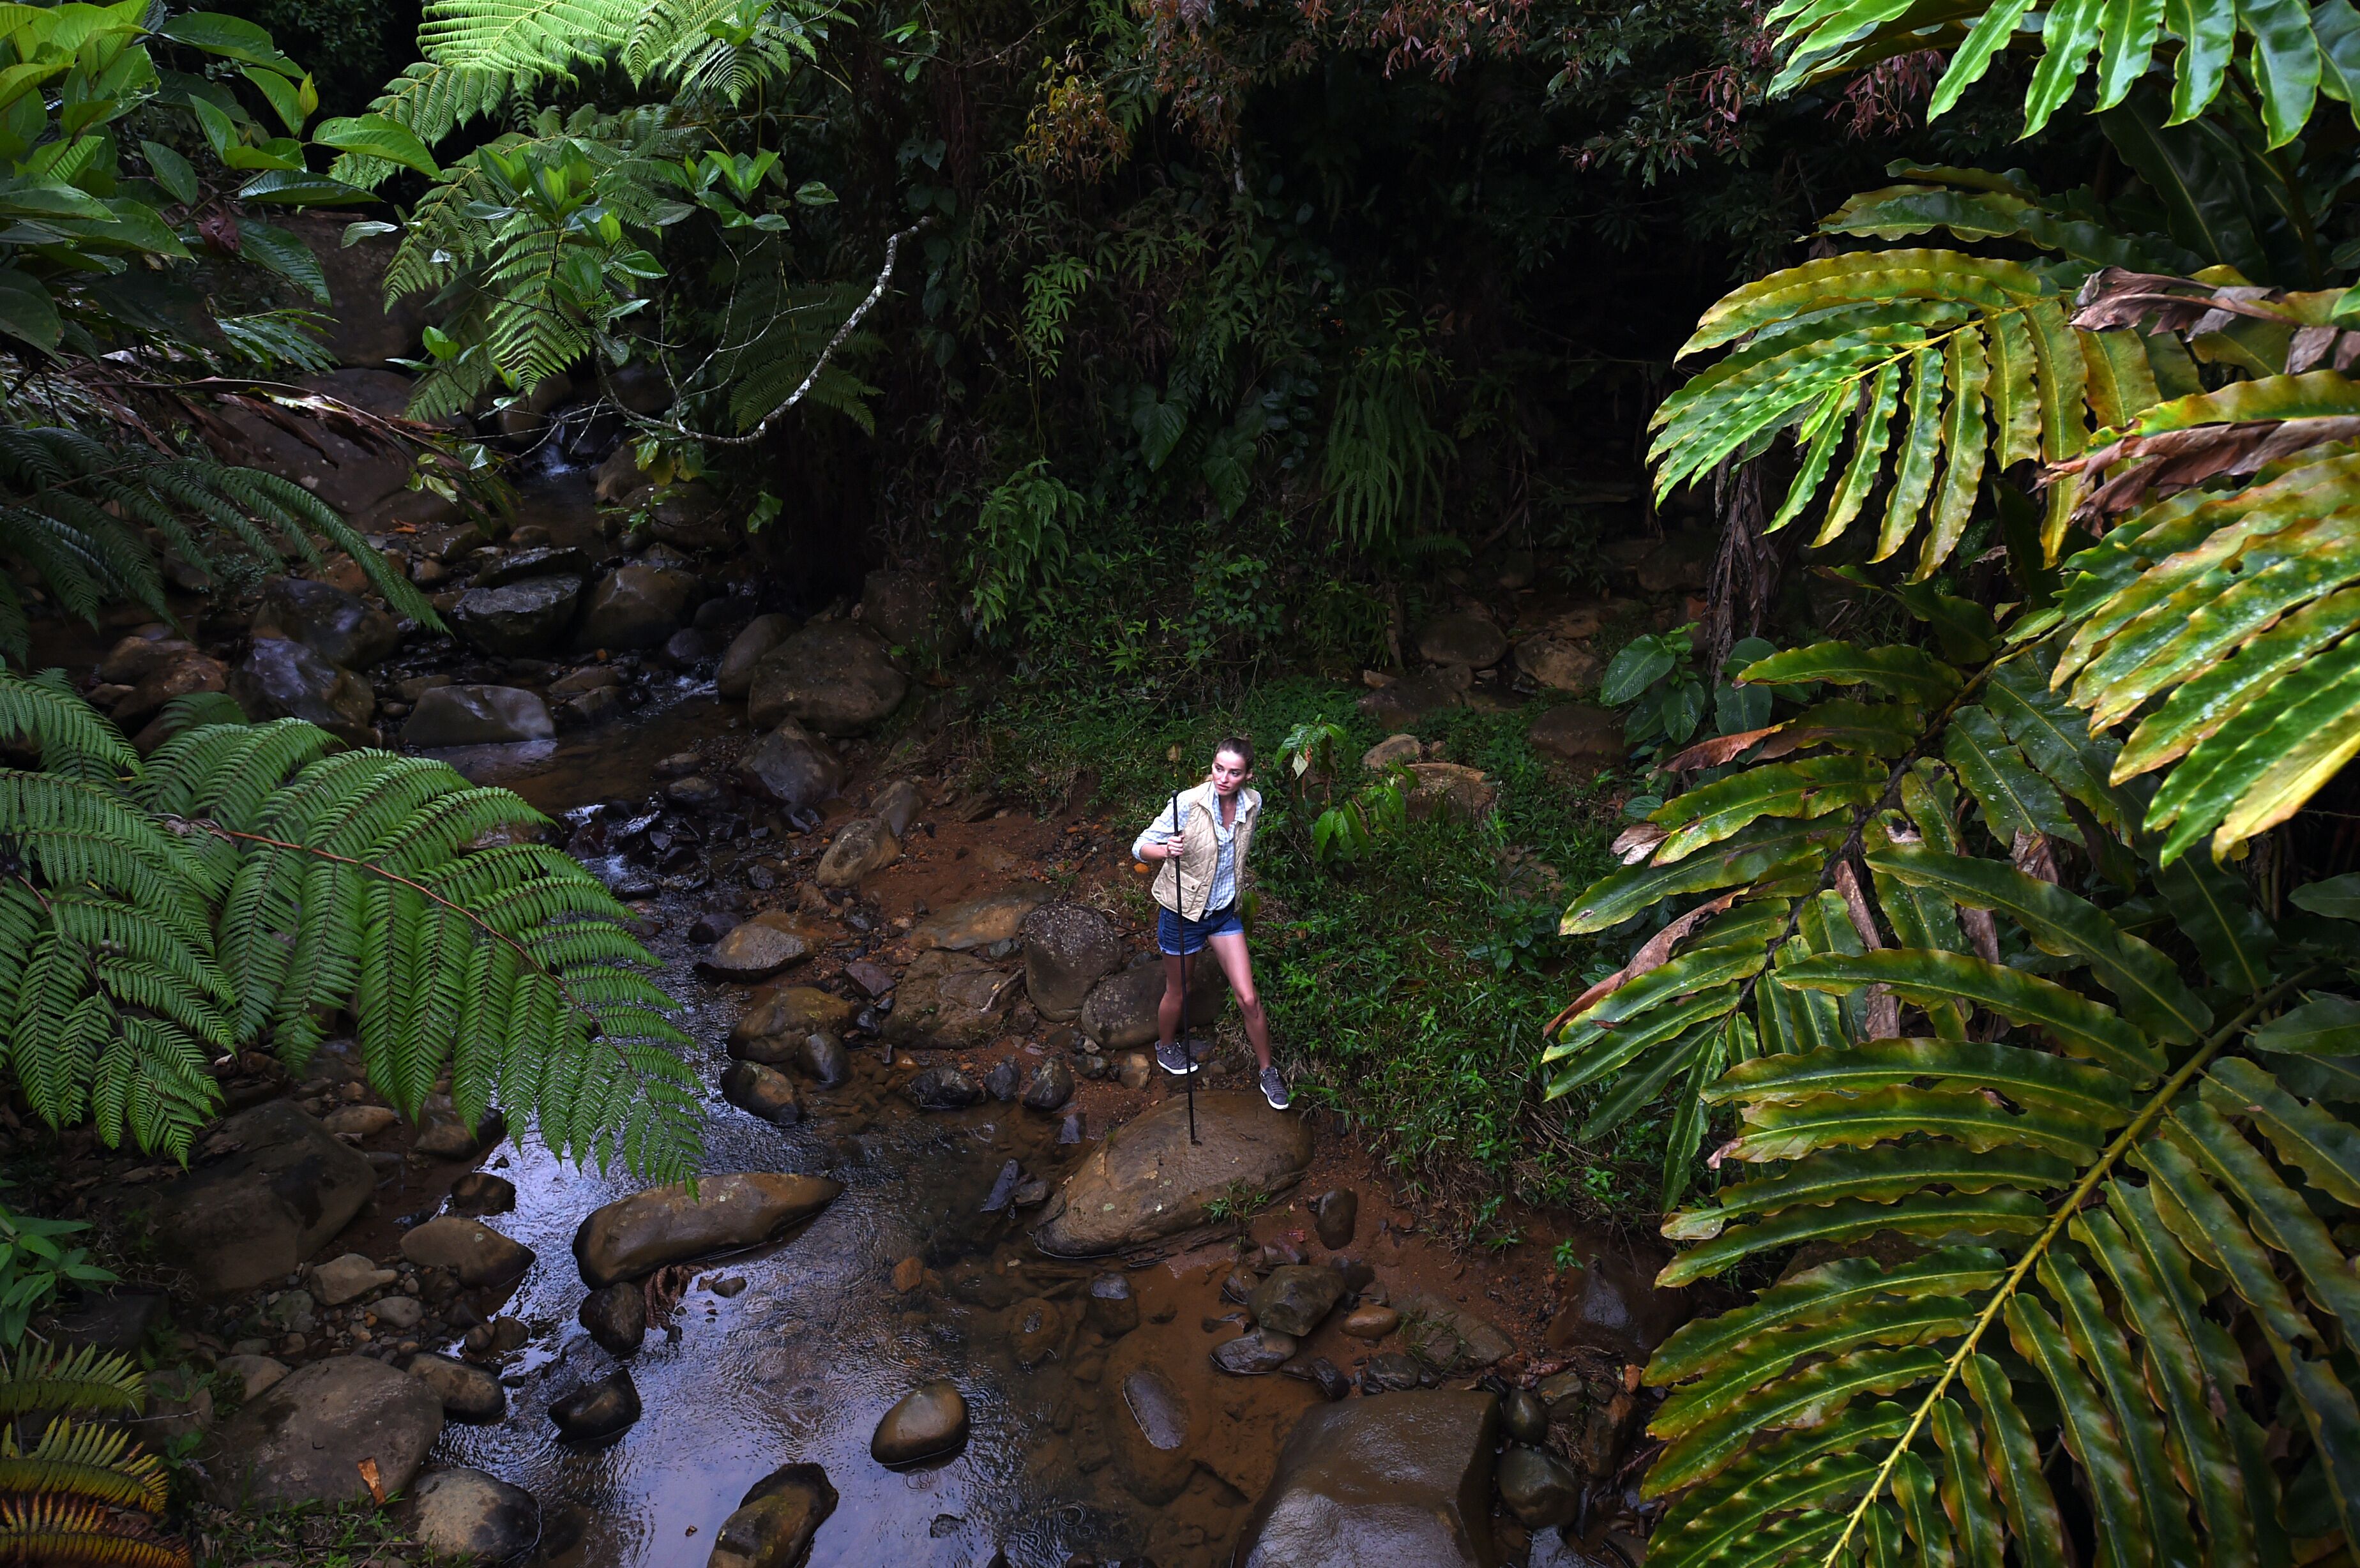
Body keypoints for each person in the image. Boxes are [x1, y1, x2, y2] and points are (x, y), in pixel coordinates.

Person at [1132, 737, 1289, 1110]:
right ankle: (1166, 1046)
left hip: (1223, 913)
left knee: (1249, 997)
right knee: (1180, 989)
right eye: (1219, 768)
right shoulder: (1187, 803)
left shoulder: (1253, 803)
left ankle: (1268, 1071)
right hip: (1182, 913)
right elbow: (1140, 846)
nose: (1223, 778)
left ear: (1248, 775)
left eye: (1234, 772)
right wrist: (1165, 850)